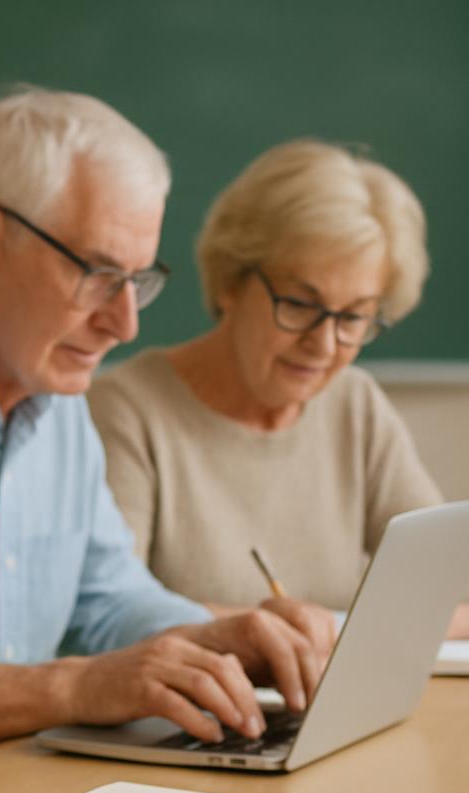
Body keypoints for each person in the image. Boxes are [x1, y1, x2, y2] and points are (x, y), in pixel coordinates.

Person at [0, 88, 336, 765]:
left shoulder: (55, 393)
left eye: (138, 281)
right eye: (99, 274)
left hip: (11, 777)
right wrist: (76, 687)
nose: (125, 323)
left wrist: (218, 642)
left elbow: (109, 600)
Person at [88, 139, 469, 638]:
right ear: (232, 281)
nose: (324, 345)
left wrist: (329, 633)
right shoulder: (126, 412)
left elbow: (450, 593)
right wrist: (303, 633)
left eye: (354, 317)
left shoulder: (355, 404)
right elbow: (105, 616)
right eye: (300, 305)